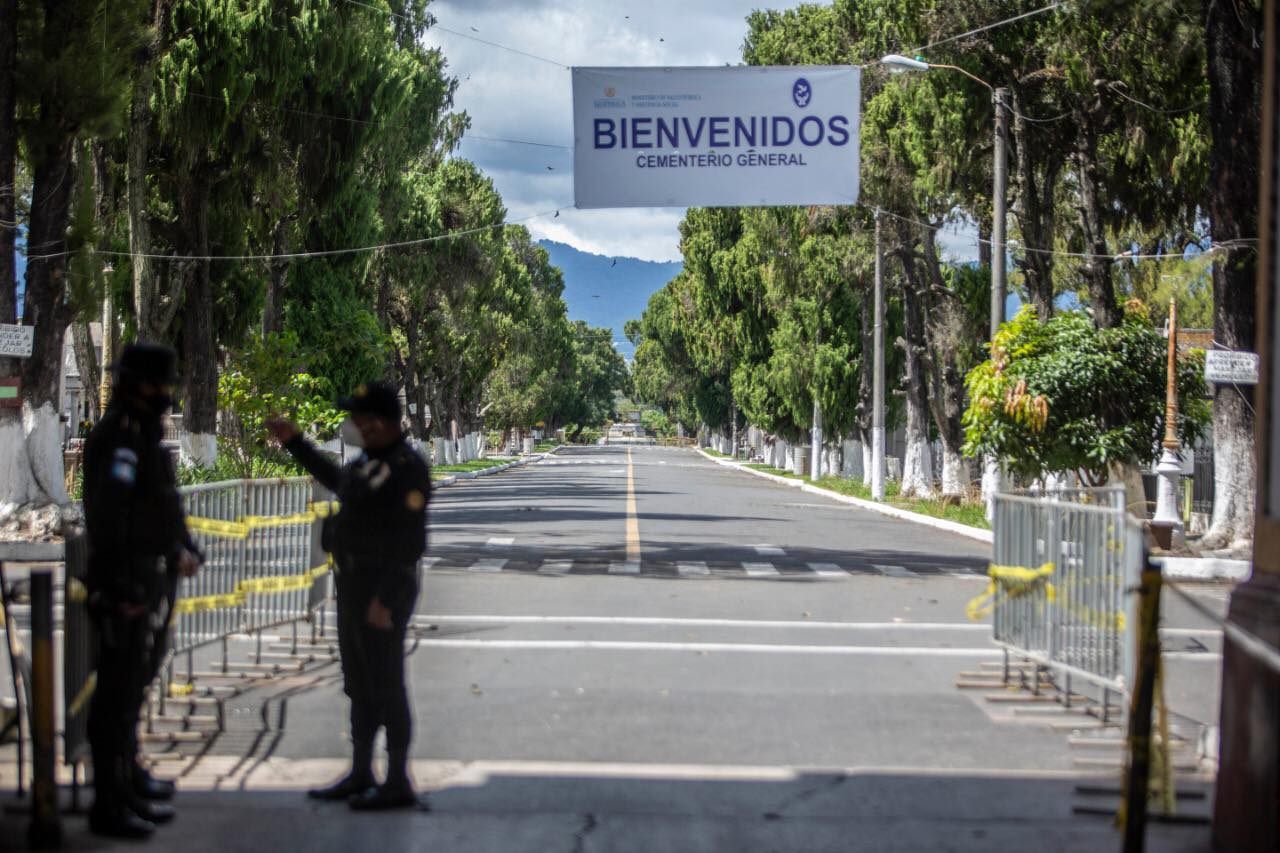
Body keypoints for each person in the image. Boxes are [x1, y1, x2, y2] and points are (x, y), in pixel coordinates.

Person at [267, 380, 430, 810]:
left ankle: (397, 781)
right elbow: (338, 482)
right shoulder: (369, 462)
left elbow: (410, 543)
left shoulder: (407, 467)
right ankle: (361, 772)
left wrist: (386, 600)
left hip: (383, 589)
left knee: (387, 683)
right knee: (359, 683)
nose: (352, 425)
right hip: (353, 583)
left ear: (379, 423)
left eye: (358, 418)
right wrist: (296, 443)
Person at [82, 342, 203, 839]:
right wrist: (122, 584)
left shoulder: (146, 435)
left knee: (134, 689)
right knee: (115, 696)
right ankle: (108, 801)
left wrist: (183, 545)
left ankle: (128, 780)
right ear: (139, 386)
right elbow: (112, 519)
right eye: (160, 385)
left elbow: (162, 503)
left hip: (151, 578)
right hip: (124, 583)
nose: (167, 394)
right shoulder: (118, 438)